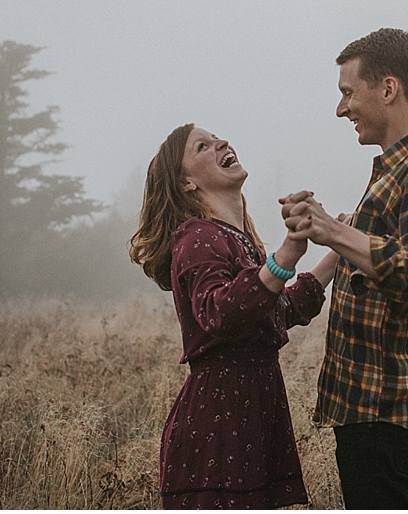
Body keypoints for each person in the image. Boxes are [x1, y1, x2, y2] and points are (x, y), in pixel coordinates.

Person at [281, 28, 408, 509]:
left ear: (388, 89)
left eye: (349, 93)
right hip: (371, 412)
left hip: (388, 412)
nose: (341, 109)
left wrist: (336, 232)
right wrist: (340, 234)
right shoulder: (399, 170)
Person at [130, 123, 337, 509]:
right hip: (219, 422)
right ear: (186, 183)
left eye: (217, 138)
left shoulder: (238, 240)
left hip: (251, 412)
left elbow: (278, 310)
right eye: (203, 147)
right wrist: (287, 254)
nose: (222, 143)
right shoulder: (196, 237)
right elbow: (219, 312)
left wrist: (340, 246)